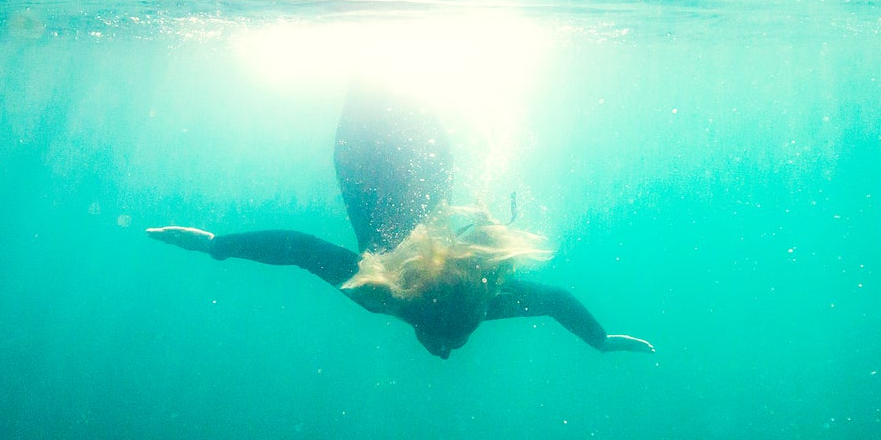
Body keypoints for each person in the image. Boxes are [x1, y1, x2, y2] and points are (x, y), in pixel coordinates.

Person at [146, 88, 654, 359]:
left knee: (391, 73)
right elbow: (296, 247)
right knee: (373, 73)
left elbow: (555, 301)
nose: (451, 355)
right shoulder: (382, 294)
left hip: (419, 160)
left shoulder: (480, 298)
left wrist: (599, 340)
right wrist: (215, 244)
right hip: (364, 163)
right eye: (456, 345)